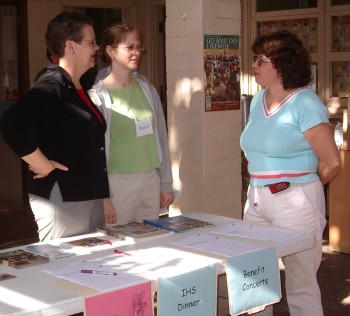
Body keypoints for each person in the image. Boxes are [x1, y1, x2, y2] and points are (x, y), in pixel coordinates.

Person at [240, 30, 340, 316]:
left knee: (300, 284)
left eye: (261, 60)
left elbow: (331, 162)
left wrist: (301, 185)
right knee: (256, 281)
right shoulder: (258, 100)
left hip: (296, 202)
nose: (254, 66)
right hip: (257, 199)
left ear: (281, 65)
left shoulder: (305, 103)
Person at [0, 12, 111, 241]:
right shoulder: (52, 84)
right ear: (71, 46)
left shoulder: (78, 86)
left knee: (92, 267)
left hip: (87, 193)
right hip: (64, 196)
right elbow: (12, 124)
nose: (96, 47)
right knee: (63, 267)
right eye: (91, 42)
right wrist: (42, 165)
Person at [88, 23, 174, 225]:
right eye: (129, 47)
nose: (136, 52)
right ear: (110, 51)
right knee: (119, 246)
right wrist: (103, 197)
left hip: (150, 180)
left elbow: (161, 136)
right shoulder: (98, 97)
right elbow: (93, 154)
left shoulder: (147, 89)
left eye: (139, 47)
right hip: (118, 184)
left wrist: (165, 183)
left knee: (150, 242)